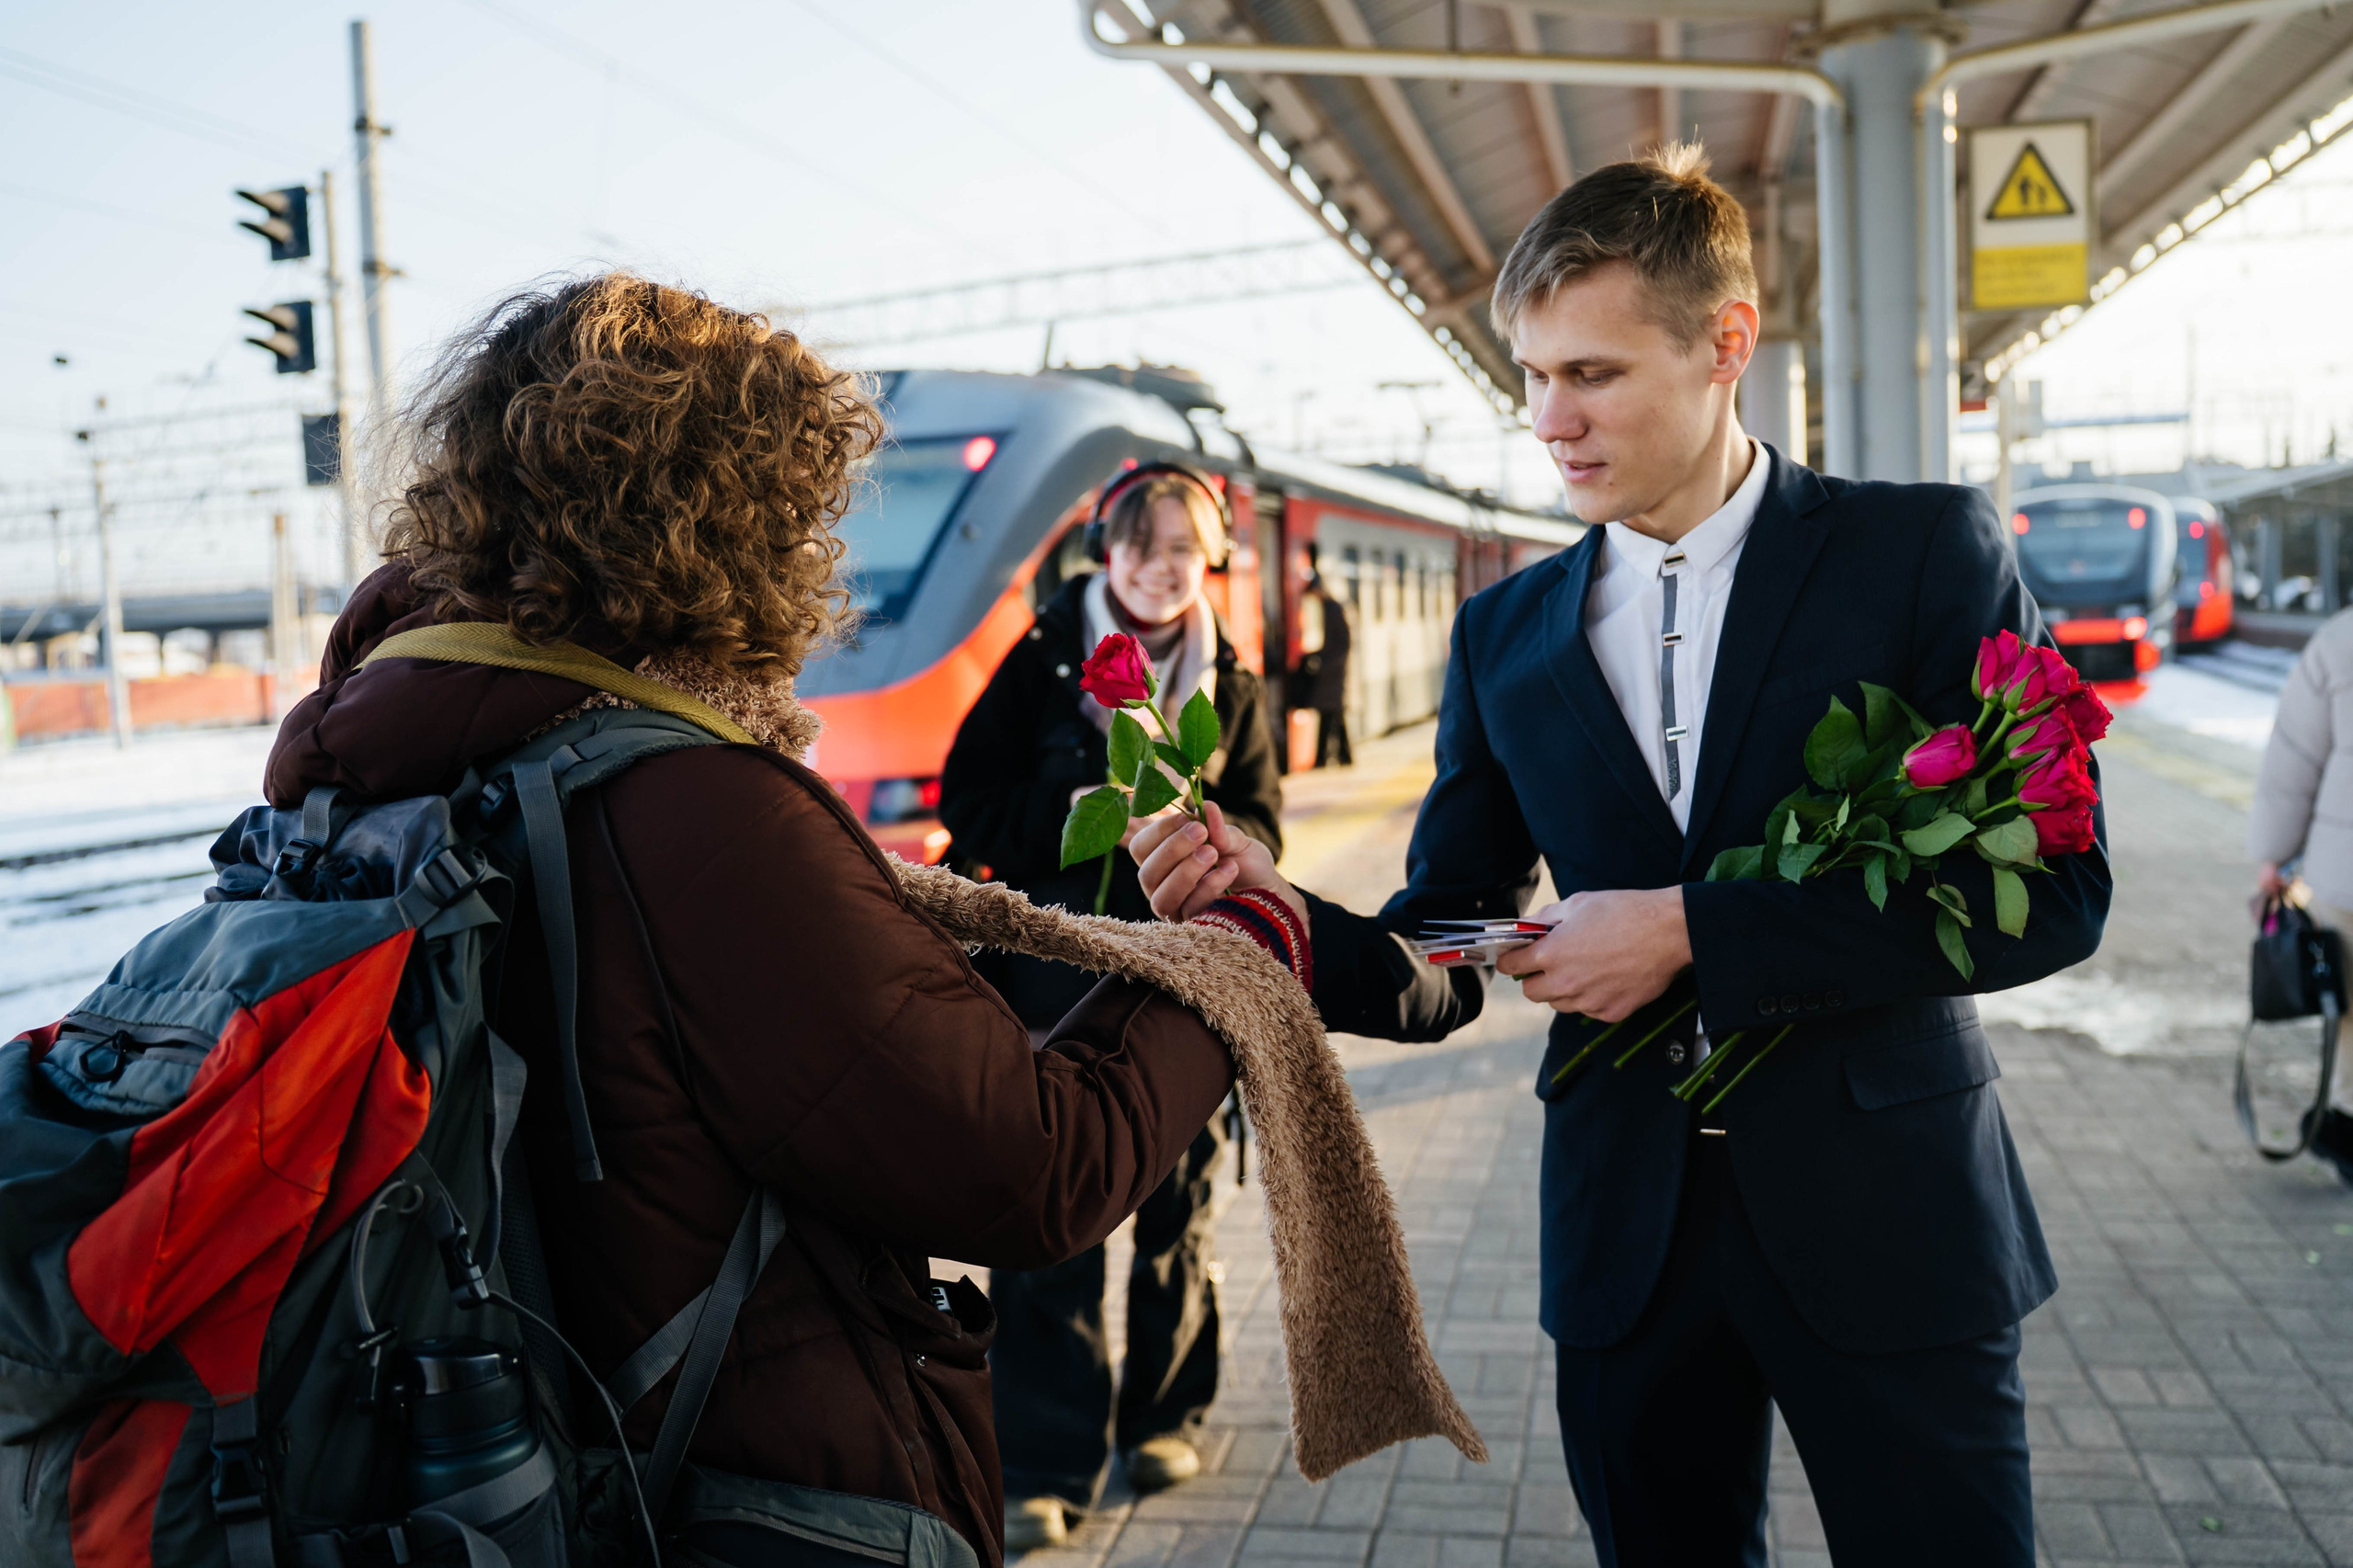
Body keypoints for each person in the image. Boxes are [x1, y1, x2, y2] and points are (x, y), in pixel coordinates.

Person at [1134, 145, 2112, 1566]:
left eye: (1591, 374)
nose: (1550, 420)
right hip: (1627, 1251)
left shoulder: (1922, 552)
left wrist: (1698, 929)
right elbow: (1449, 949)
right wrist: (1281, 911)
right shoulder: (1505, 637)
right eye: (1531, 377)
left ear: (1728, 344)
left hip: (1893, 1228)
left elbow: (2060, 890)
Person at [266, 276, 1311, 1568]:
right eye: (803, 511)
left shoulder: (370, 754)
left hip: (500, 1439)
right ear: (727, 523)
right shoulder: (702, 812)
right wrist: (1243, 952)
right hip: (735, 1489)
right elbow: (1036, 1167)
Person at [937, 464, 1284, 1550]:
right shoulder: (1044, 658)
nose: (1159, 566)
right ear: (1105, 549)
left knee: (1179, 1204)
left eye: (1181, 547)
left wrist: (1229, 849)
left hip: (1180, 982)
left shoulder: (1228, 678)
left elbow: (1269, 818)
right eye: (1140, 545)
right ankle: (1042, 1455)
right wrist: (1079, 806)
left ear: (1209, 554)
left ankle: (1165, 1413)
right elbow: (968, 801)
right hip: (1048, 991)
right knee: (1054, 1220)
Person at [2249, 606, 2353, 1181]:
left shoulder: (2340, 638)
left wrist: (2274, 854)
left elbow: (2294, 761)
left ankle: (2344, 1120)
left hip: (2346, 875)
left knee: (2351, 1020)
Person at [1293, 543, 1354, 767]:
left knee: (1330, 716)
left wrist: (1323, 661)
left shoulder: (1334, 611)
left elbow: (1343, 644)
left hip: (1334, 675)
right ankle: (1343, 756)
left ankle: (1324, 758)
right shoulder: (1331, 609)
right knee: (1334, 717)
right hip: (1334, 675)